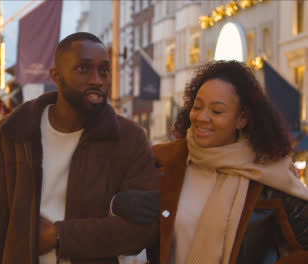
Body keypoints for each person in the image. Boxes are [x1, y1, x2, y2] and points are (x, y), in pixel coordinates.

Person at [0, 32, 160, 264]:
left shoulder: (129, 139)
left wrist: (59, 235)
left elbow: (142, 231)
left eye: (104, 70)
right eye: (83, 69)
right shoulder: (13, 133)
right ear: (56, 76)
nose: (97, 79)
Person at [112, 60, 308, 264]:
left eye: (216, 111)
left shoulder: (271, 174)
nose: (202, 117)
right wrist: (118, 206)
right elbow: (130, 243)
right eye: (197, 107)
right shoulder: (162, 162)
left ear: (242, 119)